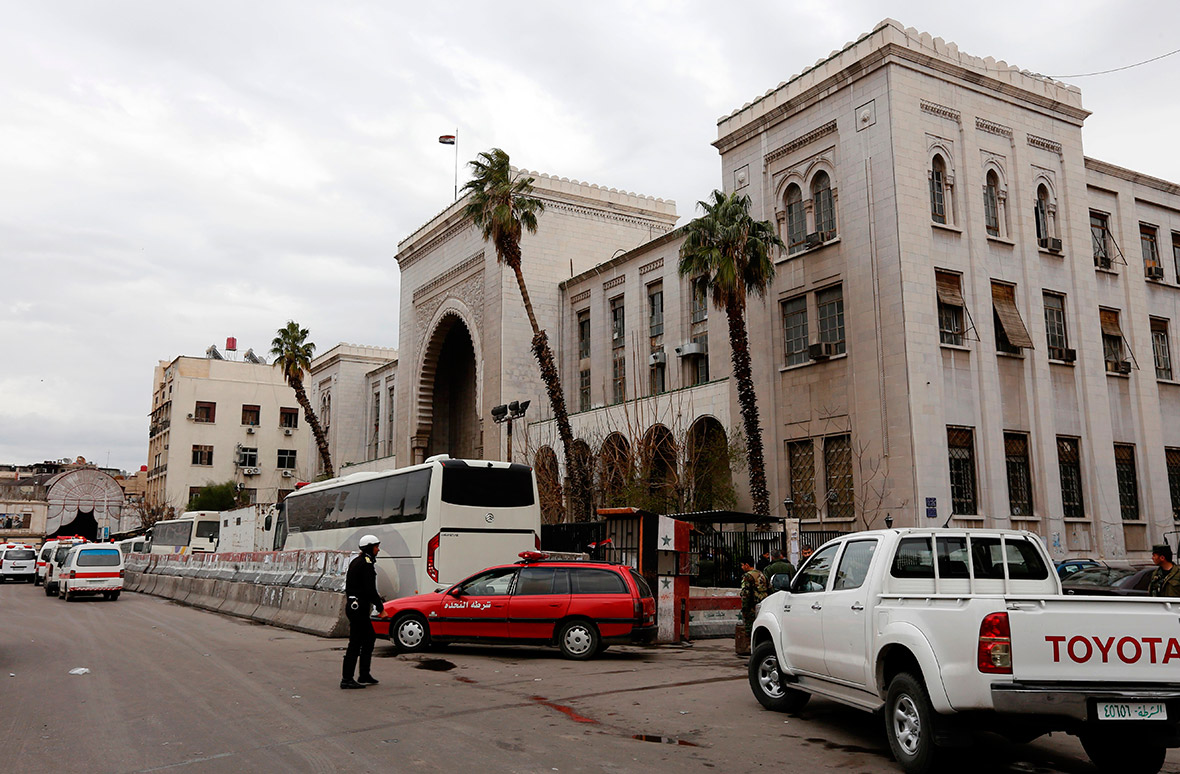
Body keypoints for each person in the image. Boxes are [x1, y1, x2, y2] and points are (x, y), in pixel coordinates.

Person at [341, 534, 385, 689]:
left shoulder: (358, 561)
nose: (378, 550)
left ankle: (364, 674)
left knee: (368, 639)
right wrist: (381, 608)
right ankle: (347, 679)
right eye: (376, 547)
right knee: (355, 643)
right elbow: (370, 590)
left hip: (356, 607)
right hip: (358, 608)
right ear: (369, 548)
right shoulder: (365, 564)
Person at [738, 556, 769, 634]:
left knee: (750, 630)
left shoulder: (747, 576)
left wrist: (744, 608)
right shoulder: (761, 574)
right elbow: (769, 588)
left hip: (752, 607)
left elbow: (746, 594)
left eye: (742, 565)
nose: (742, 567)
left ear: (747, 565)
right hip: (763, 605)